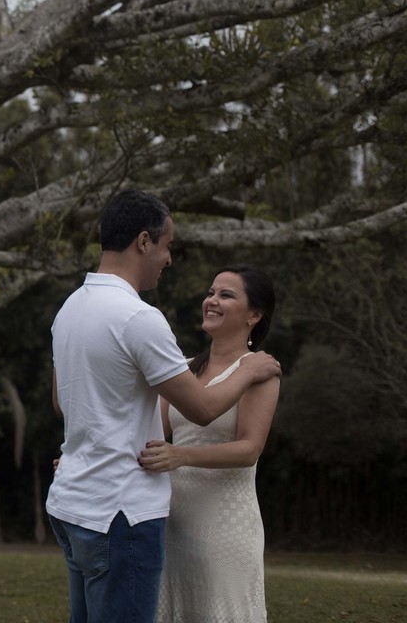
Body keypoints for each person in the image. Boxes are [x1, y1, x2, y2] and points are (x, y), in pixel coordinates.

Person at [46, 189, 281, 623]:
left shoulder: (69, 310)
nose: (169, 258)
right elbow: (203, 410)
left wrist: (83, 454)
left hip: (75, 504)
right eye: (168, 244)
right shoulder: (139, 318)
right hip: (121, 512)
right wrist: (250, 371)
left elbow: (66, 402)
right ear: (143, 242)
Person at [140, 265, 279, 623]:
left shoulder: (260, 371)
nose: (211, 301)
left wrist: (181, 455)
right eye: (211, 292)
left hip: (225, 527)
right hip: (173, 521)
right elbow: (147, 433)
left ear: (255, 315)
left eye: (226, 295)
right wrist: (86, 458)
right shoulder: (184, 369)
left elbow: (249, 449)